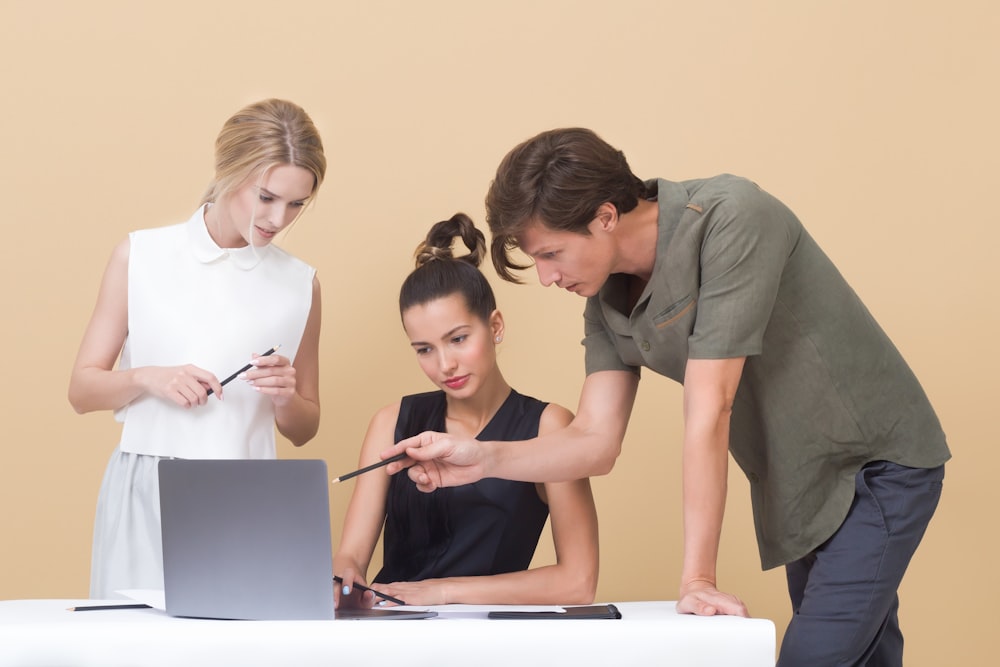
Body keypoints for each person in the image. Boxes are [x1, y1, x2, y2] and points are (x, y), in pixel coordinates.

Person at [388, 128, 950, 665]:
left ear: (605, 217)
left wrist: (697, 580)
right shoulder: (606, 296)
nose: (545, 277)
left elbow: (711, 408)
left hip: (875, 465)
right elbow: (594, 441)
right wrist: (482, 459)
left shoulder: (732, 218)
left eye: (552, 254)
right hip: (797, 487)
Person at [68, 99, 326, 599]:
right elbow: (81, 391)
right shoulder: (141, 255)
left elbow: (304, 428)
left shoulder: (301, 285)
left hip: (249, 496)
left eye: (297, 204)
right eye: (267, 197)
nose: (279, 219)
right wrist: (147, 377)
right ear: (229, 172)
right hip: (146, 486)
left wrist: (284, 396)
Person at [334, 212, 599, 609]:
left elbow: (578, 582)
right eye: (424, 349)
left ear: (495, 327)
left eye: (458, 339)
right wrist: (343, 578)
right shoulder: (391, 423)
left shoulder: (549, 427)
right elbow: (350, 557)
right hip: (390, 631)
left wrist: (442, 592)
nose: (445, 365)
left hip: (486, 639)